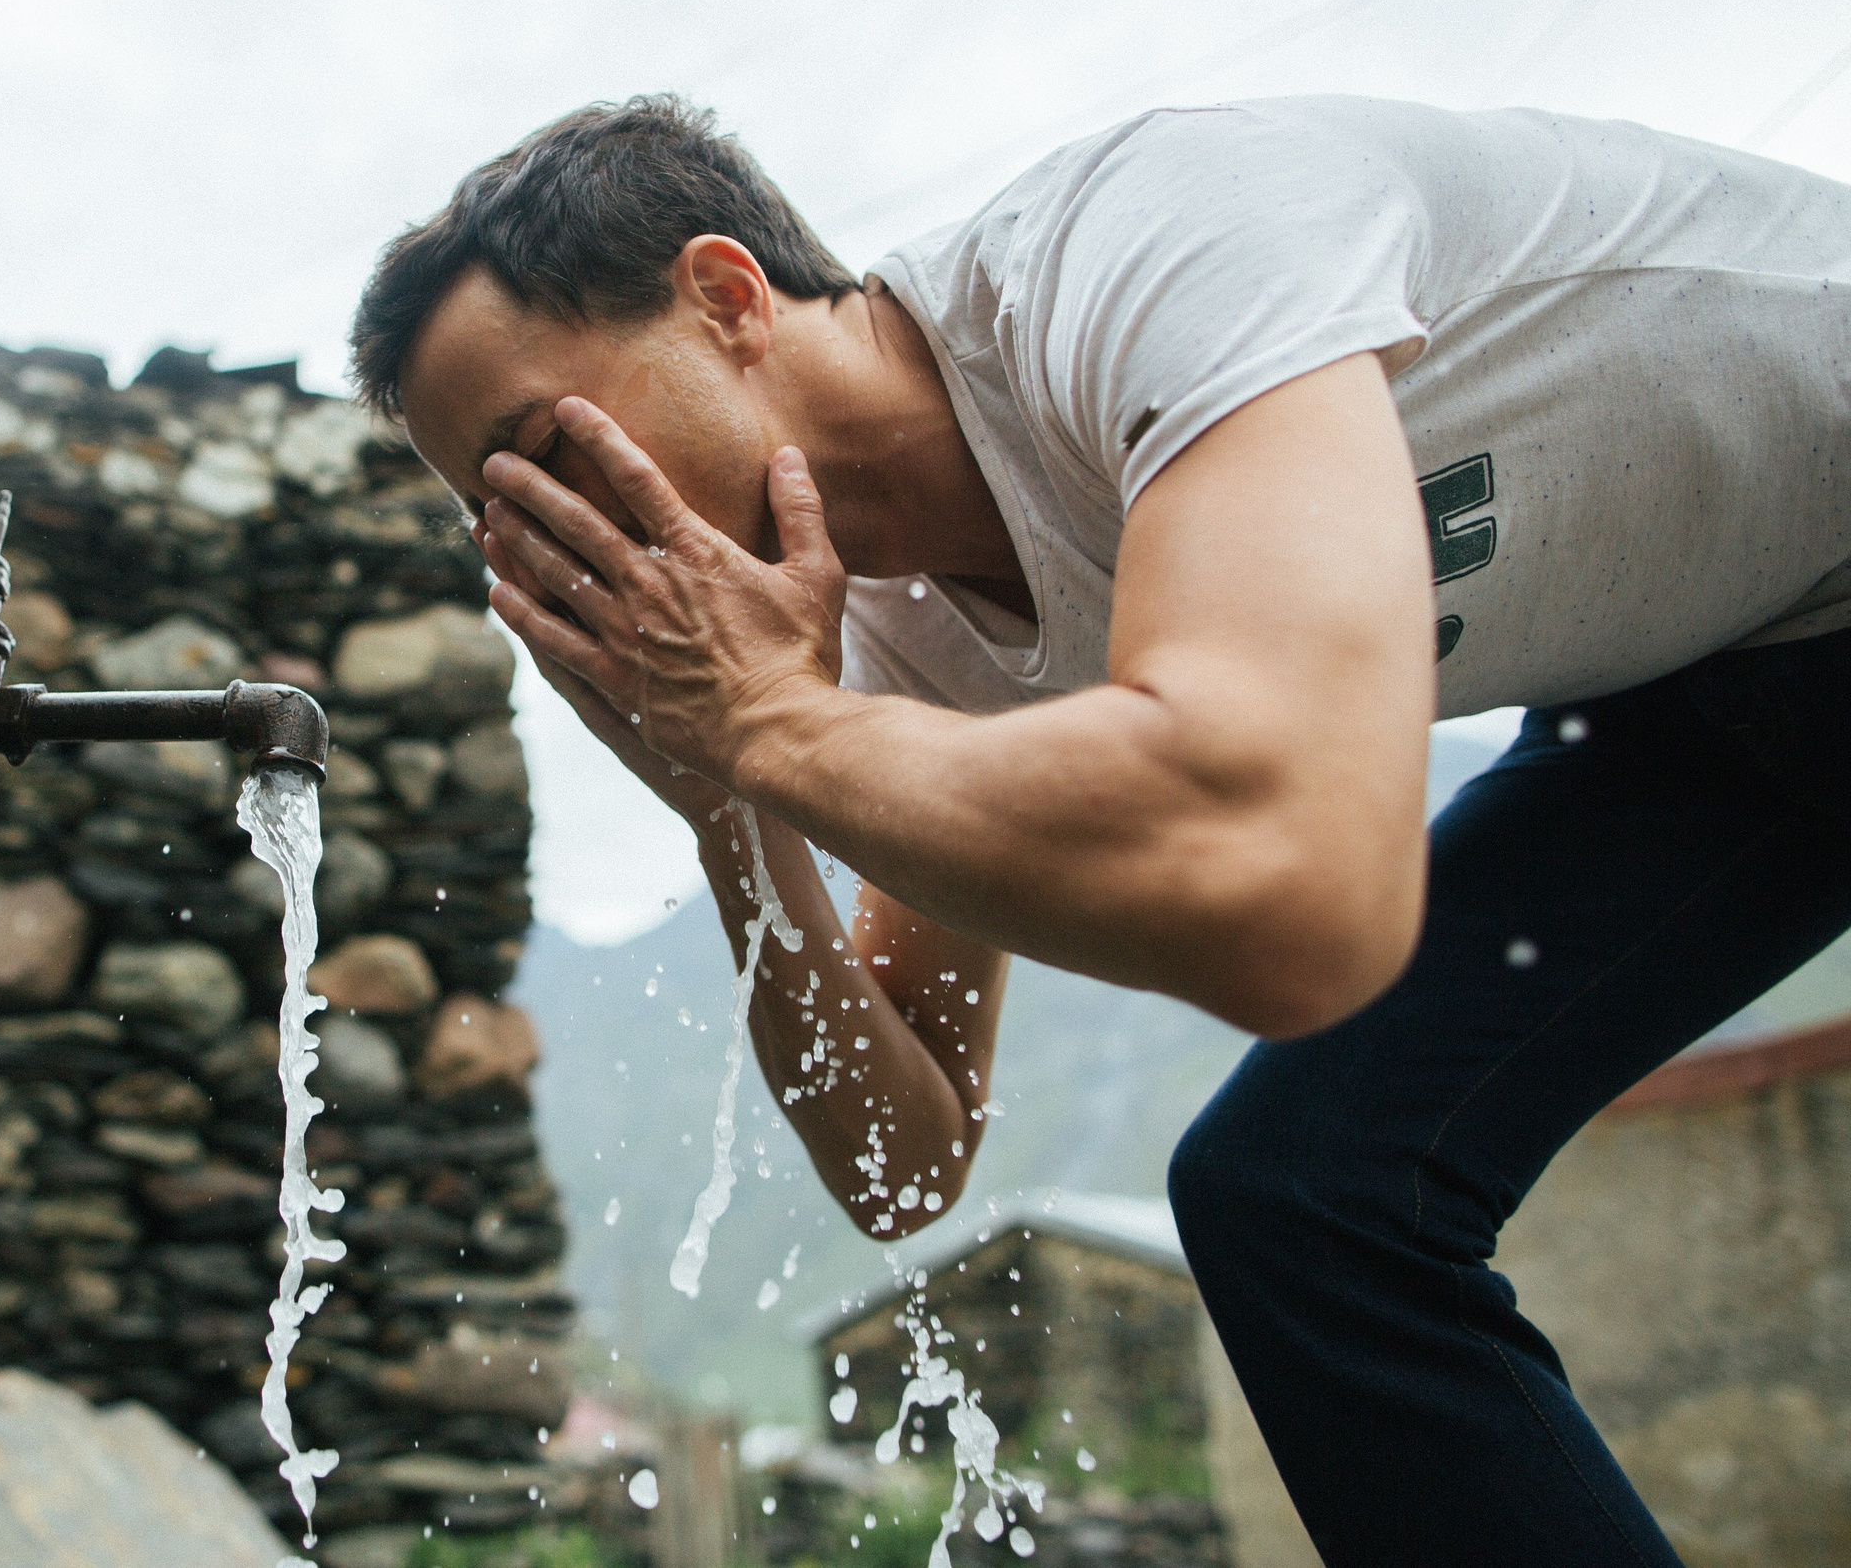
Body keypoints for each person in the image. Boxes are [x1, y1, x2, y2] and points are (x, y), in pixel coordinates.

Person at [347, 92, 1851, 1564]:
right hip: (1707, 700)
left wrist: (768, 725)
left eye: (545, 452)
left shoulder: (1147, 246)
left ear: (727, 297)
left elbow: (1298, 893)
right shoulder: (878, 656)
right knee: (1305, 1195)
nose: (543, 539)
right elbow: (900, 1158)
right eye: (495, 516)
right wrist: (729, 811)